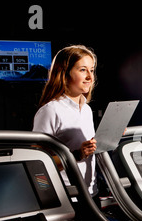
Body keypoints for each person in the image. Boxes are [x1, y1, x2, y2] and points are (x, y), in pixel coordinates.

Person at [33, 45, 99, 201]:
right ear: (64, 73)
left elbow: (90, 150)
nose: (90, 76)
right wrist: (77, 154)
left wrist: (110, 137)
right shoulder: (50, 110)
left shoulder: (87, 109)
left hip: (91, 191)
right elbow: (36, 165)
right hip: (67, 196)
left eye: (92, 70)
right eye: (83, 70)